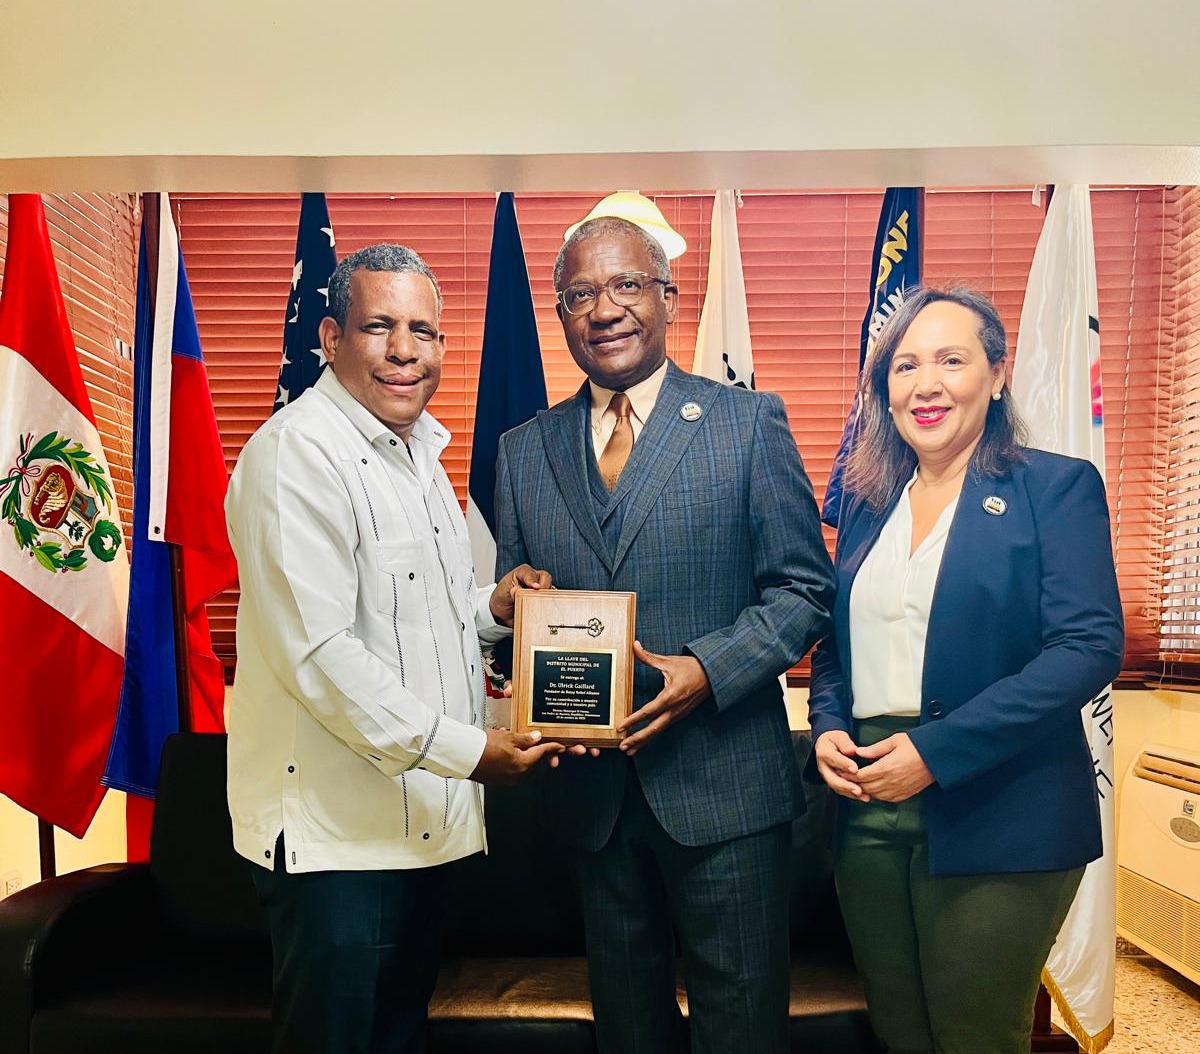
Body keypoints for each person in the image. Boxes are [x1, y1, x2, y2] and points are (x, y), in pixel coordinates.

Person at [494, 216, 835, 1053]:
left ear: (669, 298)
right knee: (628, 1029)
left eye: (626, 285)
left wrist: (708, 670)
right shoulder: (522, 451)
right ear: (561, 313)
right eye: (580, 294)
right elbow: (516, 618)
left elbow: (805, 590)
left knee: (742, 1026)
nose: (604, 309)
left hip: (727, 786)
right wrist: (514, 618)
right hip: (593, 802)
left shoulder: (746, 423)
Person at [225, 243, 563, 1054]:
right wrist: (470, 753)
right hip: (338, 849)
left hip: (419, 834)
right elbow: (322, 658)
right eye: (379, 326)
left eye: (424, 331)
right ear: (333, 338)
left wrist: (494, 607)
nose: (405, 350)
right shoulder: (297, 454)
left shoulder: (415, 454)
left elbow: (420, 614)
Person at [807, 286, 1124, 1054]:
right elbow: (838, 647)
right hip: (868, 808)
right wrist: (827, 726)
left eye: (951, 361)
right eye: (906, 366)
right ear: (884, 389)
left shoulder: (1054, 487)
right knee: (899, 1030)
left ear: (997, 373)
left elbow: (1087, 647)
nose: (927, 384)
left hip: (1003, 809)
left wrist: (935, 753)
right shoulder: (866, 503)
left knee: (974, 1035)